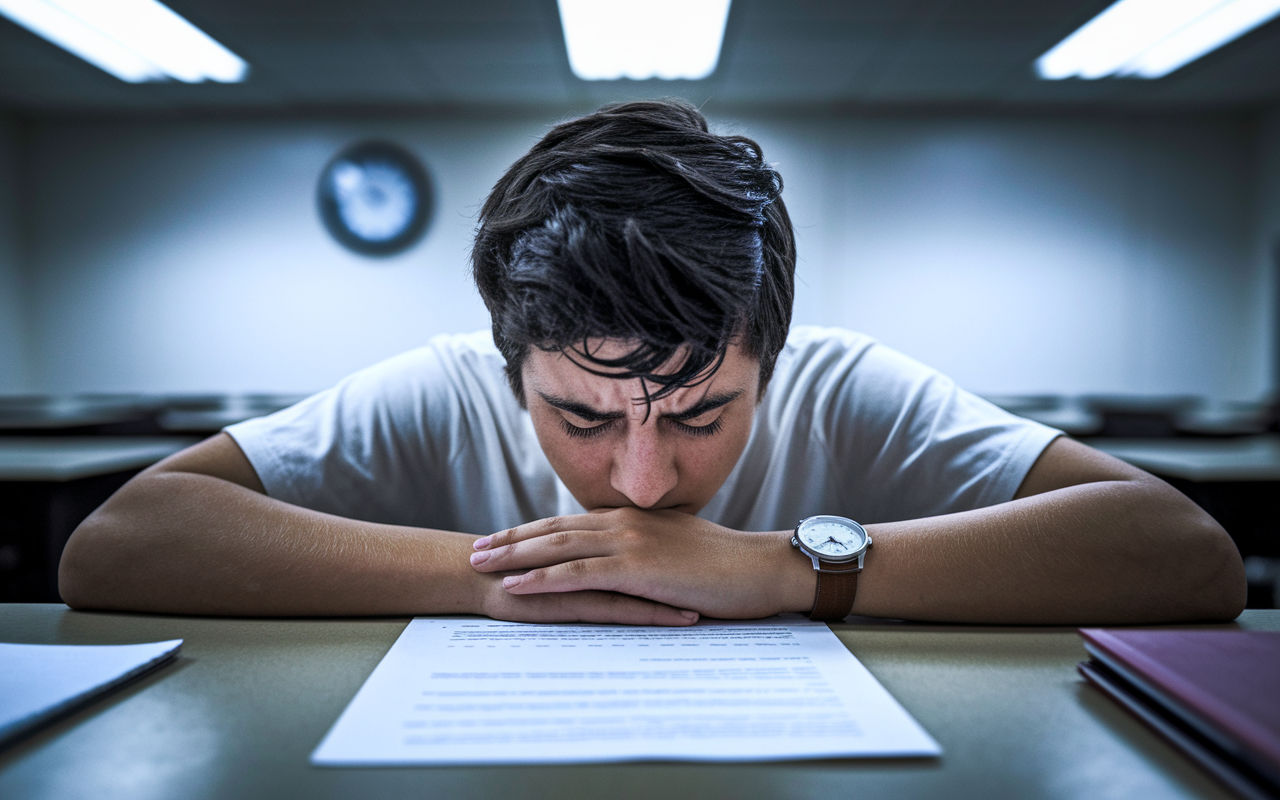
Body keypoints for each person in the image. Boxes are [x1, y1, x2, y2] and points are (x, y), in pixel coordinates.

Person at [58, 100, 1245, 626]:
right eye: (578, 417)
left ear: (770, 360)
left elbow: (1185, 557)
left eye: (701, 411)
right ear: (507, 361)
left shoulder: (842, 379)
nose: (637, 482)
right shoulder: (442, 381)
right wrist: (500, 579)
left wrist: (784, 570)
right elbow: (118, 543)